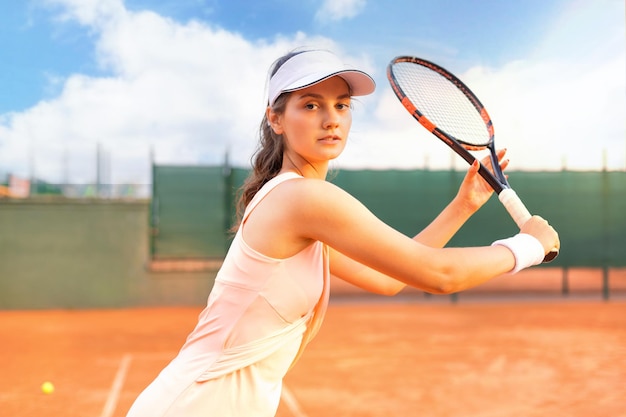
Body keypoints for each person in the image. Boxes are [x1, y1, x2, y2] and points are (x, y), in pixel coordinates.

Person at [126, 49, 559, 417]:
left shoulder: (300, 205)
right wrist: (528, 246)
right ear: (275, 119)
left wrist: (462, 205)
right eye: (310, 105)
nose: (331, 119)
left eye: (342, 105)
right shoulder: (305, 201)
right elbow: (438, 274)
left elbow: (391, 278)